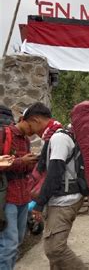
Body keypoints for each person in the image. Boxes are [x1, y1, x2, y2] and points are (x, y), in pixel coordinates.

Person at [26, 102, 87, 269]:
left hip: (65, 200)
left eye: (30, 124)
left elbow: (54, 175)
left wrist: (39, 205)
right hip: (60, 198)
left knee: (55, 250)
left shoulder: (58, 138)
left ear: (36, 120)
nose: (30, 130)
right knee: (54, 253)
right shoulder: (54, 136)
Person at [0, 110, 37, 269]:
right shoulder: (4, 135)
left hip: (23, 197)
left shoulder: (26, 141)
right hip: (7, 196)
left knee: (17, 241)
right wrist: (21, 161)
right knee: (9, 243)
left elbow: (24, 170)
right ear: (22, 119)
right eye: (31, 126)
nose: (33, 131)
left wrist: (31, 164)